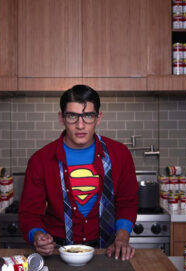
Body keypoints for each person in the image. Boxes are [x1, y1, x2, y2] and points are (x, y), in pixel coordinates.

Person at [18, 84, 138, 260]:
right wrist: (37, 235)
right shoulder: (40, 160)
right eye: (72, 116)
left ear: (98, 118)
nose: (80, 125)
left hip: (108, 251)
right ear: (62, 118)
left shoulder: (120, 154)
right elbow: (29, 214)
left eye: (88, 116)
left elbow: (127, 203)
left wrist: (122, 237)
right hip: (57, 253)